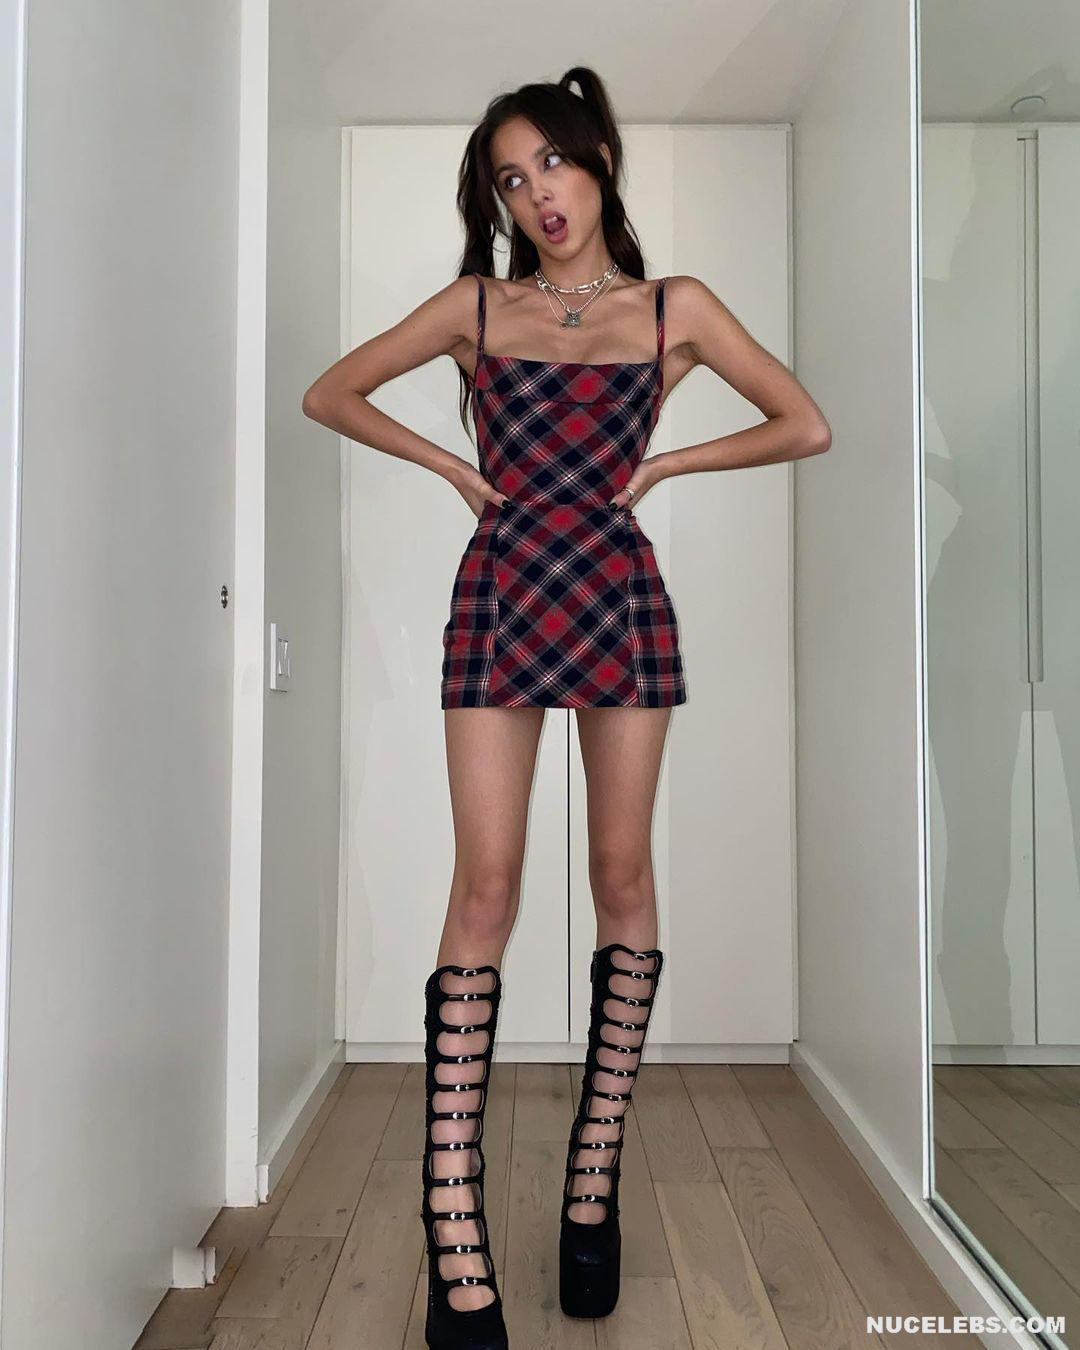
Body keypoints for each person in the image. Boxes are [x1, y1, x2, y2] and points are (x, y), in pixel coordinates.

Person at [303, 64, 829, 1350]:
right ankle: (453, 1218)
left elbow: (803, 424)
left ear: (599, 162)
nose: (537, 193)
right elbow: (330, 392)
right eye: (510, 178)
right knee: (486, 885)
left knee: (621, 874)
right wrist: (450, 465)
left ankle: (591, 1181)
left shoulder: (675, 308)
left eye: (552, 162)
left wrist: (669, 459)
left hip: (617, 592)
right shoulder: (479, 306)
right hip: (501, 586)